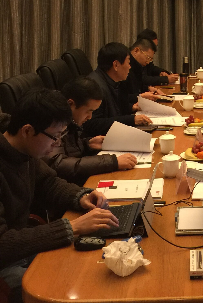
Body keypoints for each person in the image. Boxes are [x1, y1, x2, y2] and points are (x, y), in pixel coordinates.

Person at [0, 89, 118, 302]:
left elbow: (48, 183)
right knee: (64, 287)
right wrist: (72, 227)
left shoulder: (25, 151)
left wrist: (81, 196)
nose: (57, 144)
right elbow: (3, 243)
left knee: (94, 265)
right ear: (27, 130)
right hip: (6, 261)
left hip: (22, 245)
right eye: (54, 137)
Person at [43, 77, 137, 186]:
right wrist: (112, 162)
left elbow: (67, 148)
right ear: (70, 104)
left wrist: (87, 144)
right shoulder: (52, 121)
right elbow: (58, 164)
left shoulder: (69, 119)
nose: (90, 117)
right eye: (88, 111)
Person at [82, 42, 152, 138]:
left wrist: (130, 108)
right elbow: (92, 124)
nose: (130, 67)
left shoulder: (112, 81)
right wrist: (131, 120)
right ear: (116, 65)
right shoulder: (95, 87)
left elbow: (113, 109)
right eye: (128, 62)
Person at [125, 38, 163, 102]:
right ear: (136, 51)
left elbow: (137, 86)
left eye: (150, 59)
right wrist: (141, 96)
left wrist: (148, 88)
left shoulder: (138, 65)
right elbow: (121, 98)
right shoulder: (125, 65)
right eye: (147, 57)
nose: (148, 62)